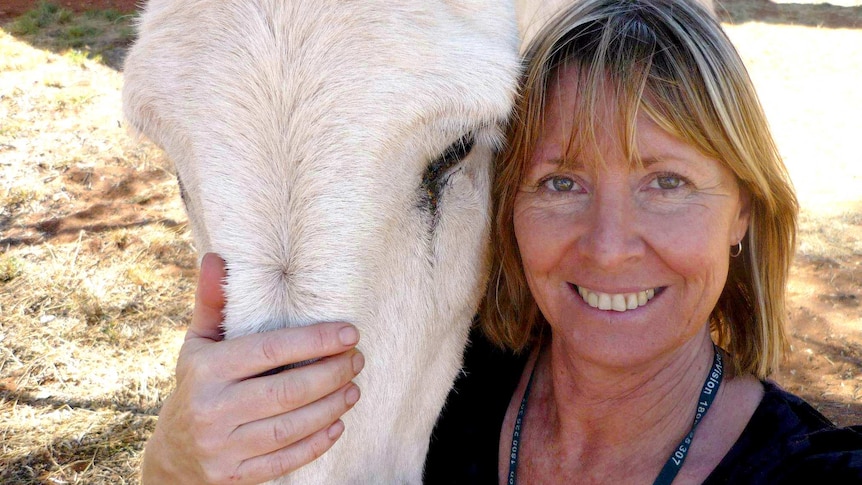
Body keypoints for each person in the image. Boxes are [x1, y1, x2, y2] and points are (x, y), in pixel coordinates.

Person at [142, 0, 862, 483]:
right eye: (560, 182)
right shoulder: (448, 380)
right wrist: (177, 455)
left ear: (744, 209)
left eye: (668, 182)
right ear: (503, 200)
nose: (610, 248)